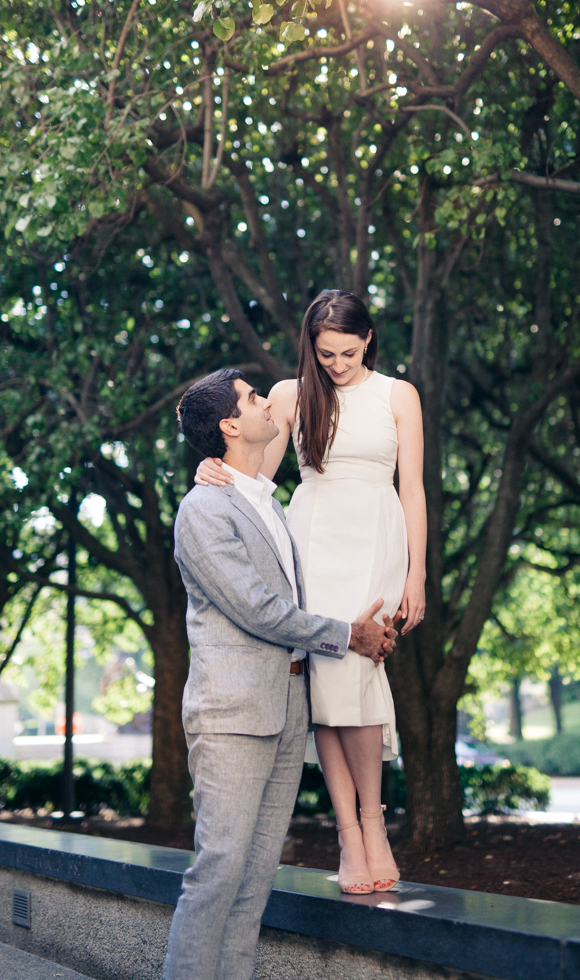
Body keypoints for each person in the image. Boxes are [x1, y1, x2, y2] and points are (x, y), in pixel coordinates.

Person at [163, 367, 397, 980]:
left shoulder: (268, 503)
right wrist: (349, 636)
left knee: (256, 879)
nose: (269, 401)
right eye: (252, 397)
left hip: (288, 707)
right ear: (230, 425)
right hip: (234, 716)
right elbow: (260, 611)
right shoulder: (203, 510)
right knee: (218, 872)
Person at [196, 290, 427, 895]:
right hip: (314, 538)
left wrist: (417, 574)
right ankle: (350, 836)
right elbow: (254, 474)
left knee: (358, 671)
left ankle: (373, 825)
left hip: (377, 534)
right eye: (325, 354)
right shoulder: (292, 394)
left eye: (348, 352)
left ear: (369, 338)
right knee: (324, 682)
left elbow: (414, 490)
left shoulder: (399, 396)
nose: (337, 365)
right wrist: (209, 469)